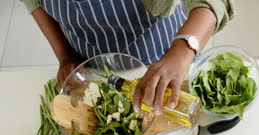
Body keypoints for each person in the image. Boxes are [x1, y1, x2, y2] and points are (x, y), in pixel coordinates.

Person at [21, 0, 234, 114]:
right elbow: (34, 2)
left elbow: (214, 3)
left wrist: (182, 50)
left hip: (164, 58)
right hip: (93, 70)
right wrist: (65, 55)